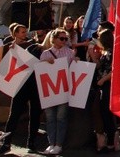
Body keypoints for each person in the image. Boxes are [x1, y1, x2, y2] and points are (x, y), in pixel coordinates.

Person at [0, 24, 42, 153]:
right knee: (14, 115)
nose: (25, 34)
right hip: (20, 86)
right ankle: (7, 143)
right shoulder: (8, 47)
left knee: (35, 114)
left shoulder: (34, 45)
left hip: (34, 85)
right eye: (22, 32)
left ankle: (31, 142)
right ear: (15, 34)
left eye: (25, 32)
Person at [40, 27, 77, 155]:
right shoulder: (45, 54)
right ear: (54, 39)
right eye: (61, 38)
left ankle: (59, 144)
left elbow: (74, 70)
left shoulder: (70, 52)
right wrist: (45, 62)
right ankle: (51, 144)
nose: (64, 41)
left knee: (61, 117)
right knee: (50, 118)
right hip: (49, 90)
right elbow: (40, 70)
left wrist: (76, 61)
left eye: (66, 39)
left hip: (63, 89)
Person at [94, 29, 120, 152]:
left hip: (107, 85)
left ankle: (111, 140)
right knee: (105, 113)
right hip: (103, 84)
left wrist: (103, 80)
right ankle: (111, 138)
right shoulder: (105, 52)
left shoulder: (110, 52)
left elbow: (113, 70)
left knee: (106, 112)